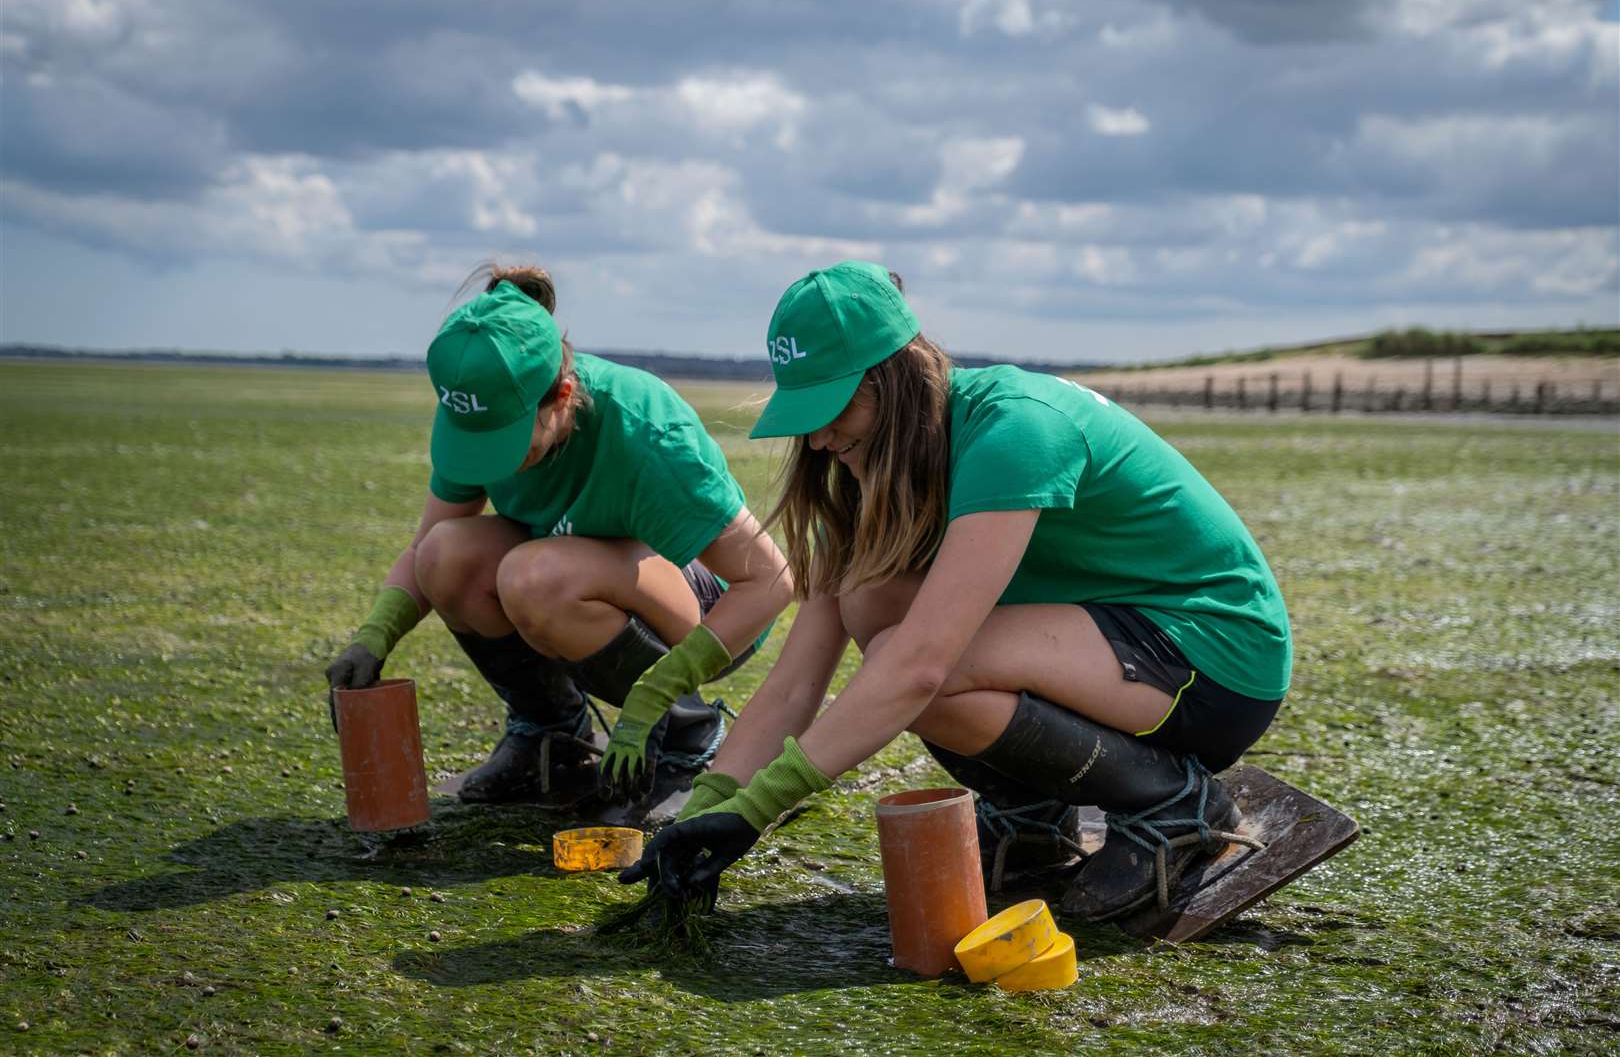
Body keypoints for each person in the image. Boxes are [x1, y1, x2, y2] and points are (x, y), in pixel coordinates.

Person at [625, 260, 1291, 920]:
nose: (820, 439)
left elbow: (919, 667)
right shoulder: (879, 473)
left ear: (895, 378)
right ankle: (1034, 820)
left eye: (832, 409)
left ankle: (1175, 806)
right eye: (804, 416)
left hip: (1214, 657)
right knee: (871, 601)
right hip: (1106, 642)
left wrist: (755, 815)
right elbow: (795, 684)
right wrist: (708, 809)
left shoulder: (1014, 430)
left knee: (915, 665)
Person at [325, 264, 792, 824]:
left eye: (505, 443)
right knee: (445, 557)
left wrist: (655, 692)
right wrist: (374, 636)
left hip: (708, 610)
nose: (489, 463)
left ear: (562, 396)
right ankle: (551, 737)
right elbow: (425, 548)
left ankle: (690, 740)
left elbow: (770, 582)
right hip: (567, 574)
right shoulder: (478, 413)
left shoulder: (646, 431)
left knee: (534, 575)